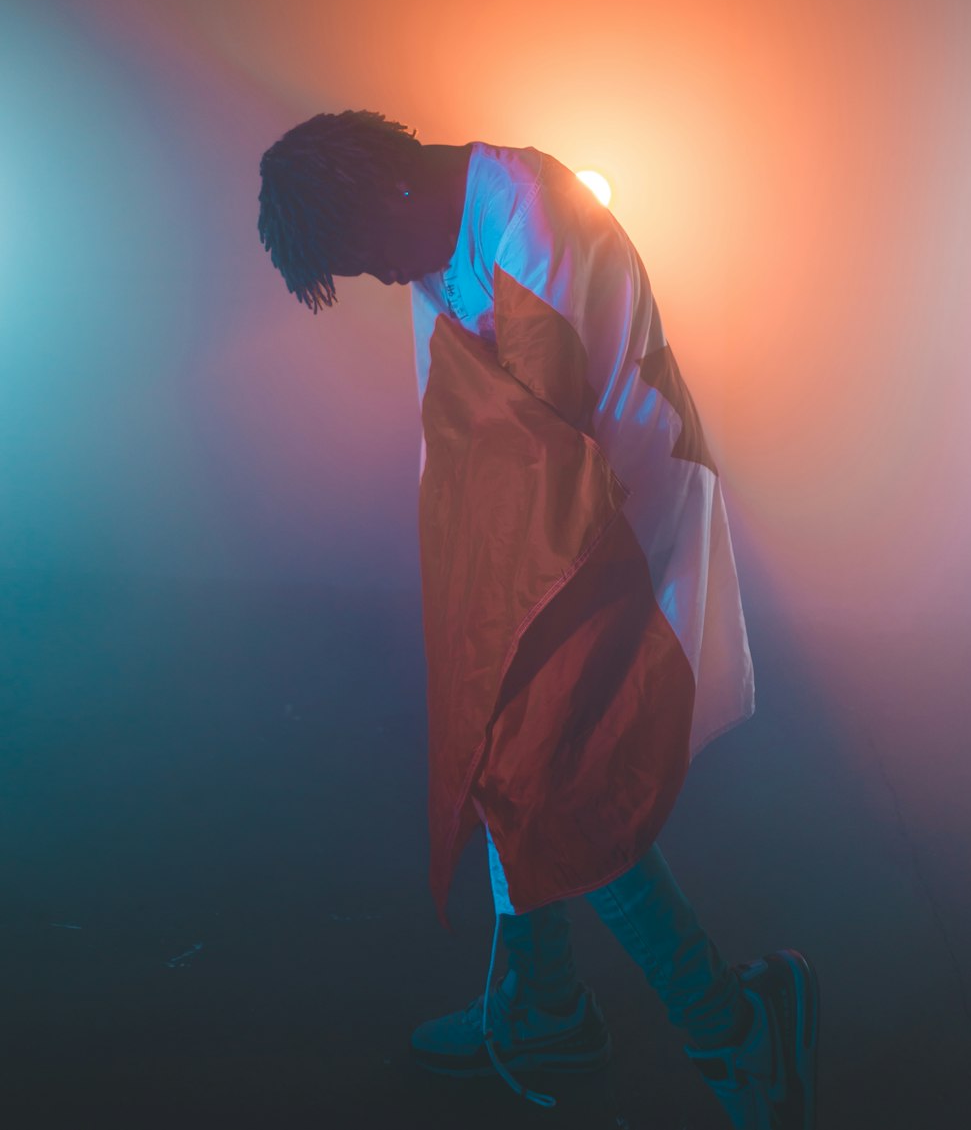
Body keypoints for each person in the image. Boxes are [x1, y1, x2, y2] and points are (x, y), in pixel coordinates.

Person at [257, 108, 820, 1129]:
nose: (385, 278)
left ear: (391, 190)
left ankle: (733, 1023)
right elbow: (470, 448)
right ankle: (549, 1002)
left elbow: (541, 446)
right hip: (539, 530)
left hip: (611, 523)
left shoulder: (530, 223)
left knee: (562, 788)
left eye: (372, 257)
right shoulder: (430, 237)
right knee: (501, 742)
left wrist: (488, 592)